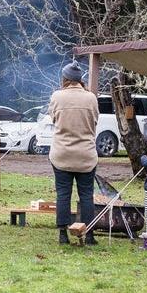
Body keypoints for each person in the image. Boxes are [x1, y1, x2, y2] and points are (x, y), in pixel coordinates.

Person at [49, 61, 99, 245]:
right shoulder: (91, 97)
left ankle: (63, 234)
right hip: (85, 153)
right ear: (80, 80)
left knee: (63, 194)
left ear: (65, 79)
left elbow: (53, 118)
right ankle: (90, 234)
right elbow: (95, 121)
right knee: (86, 195)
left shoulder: (57, 96)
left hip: (62, 152)